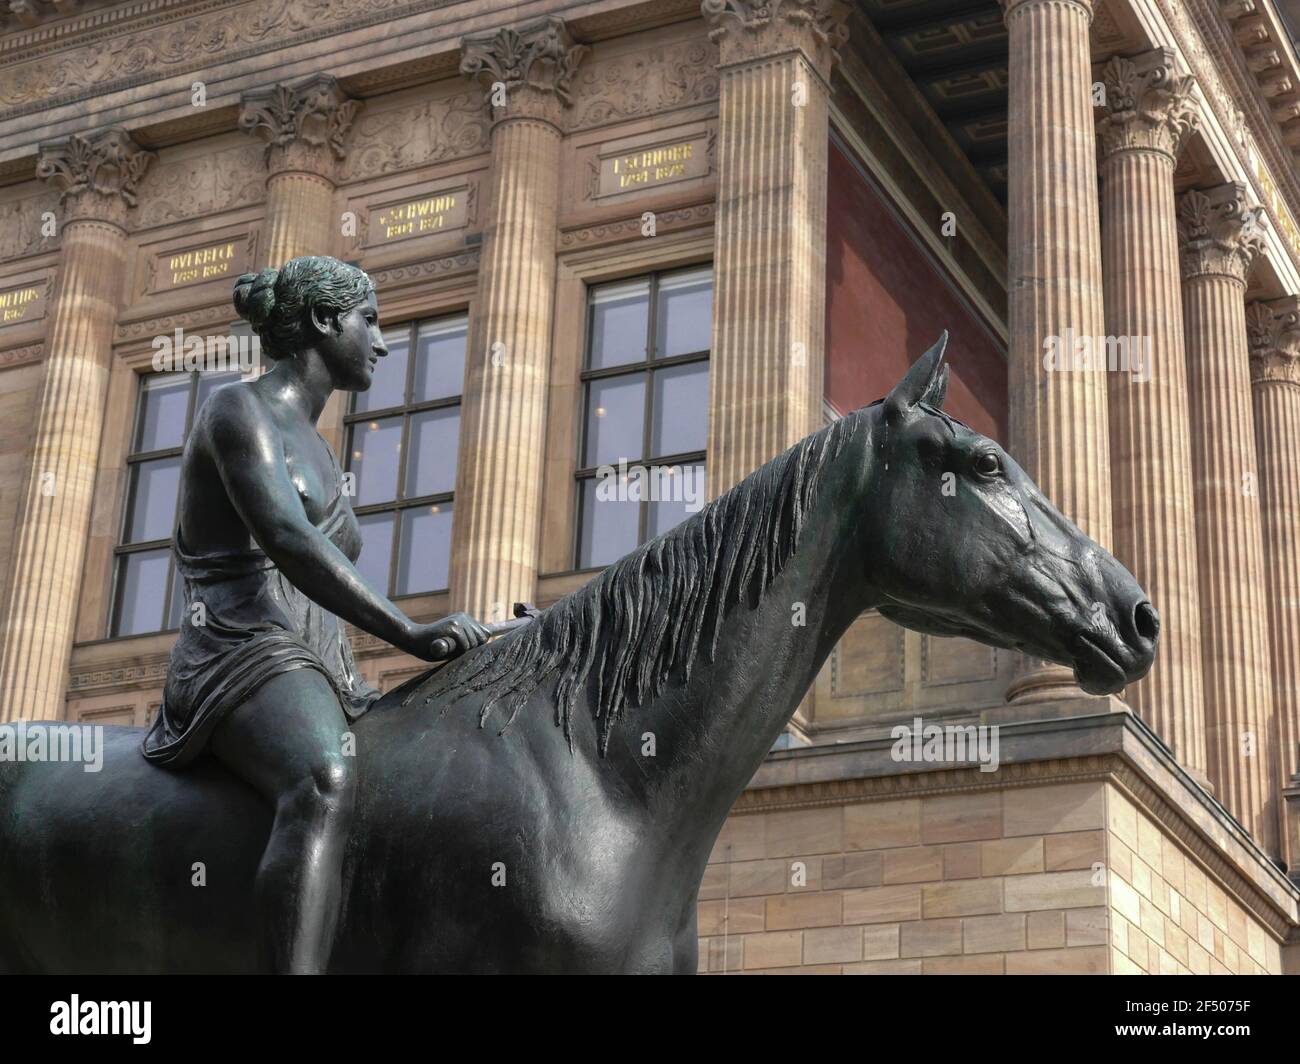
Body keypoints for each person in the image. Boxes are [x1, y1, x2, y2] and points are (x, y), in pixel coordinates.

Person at [142, 255, 490, 973]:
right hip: (241, 648)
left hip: (323, 664)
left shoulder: (324, 453)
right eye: (371, 321)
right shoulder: (237, 409)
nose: (384, 343)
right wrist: (409, 632)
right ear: (327, 321)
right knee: (324, 778)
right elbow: (289, 541)